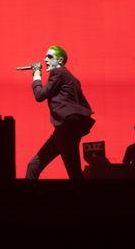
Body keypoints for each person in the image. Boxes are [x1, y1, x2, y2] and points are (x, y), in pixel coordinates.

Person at [26, 45, 95, 180]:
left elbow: (39, 95)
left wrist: (36, 76)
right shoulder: (74, 80)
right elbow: (84, 106)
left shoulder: (59, 72)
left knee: (74, 174)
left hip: (66, 129)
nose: (45, 60)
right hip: (65, 130)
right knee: (33, 165)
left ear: (60, 61)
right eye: (45, 56)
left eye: (50, 57)